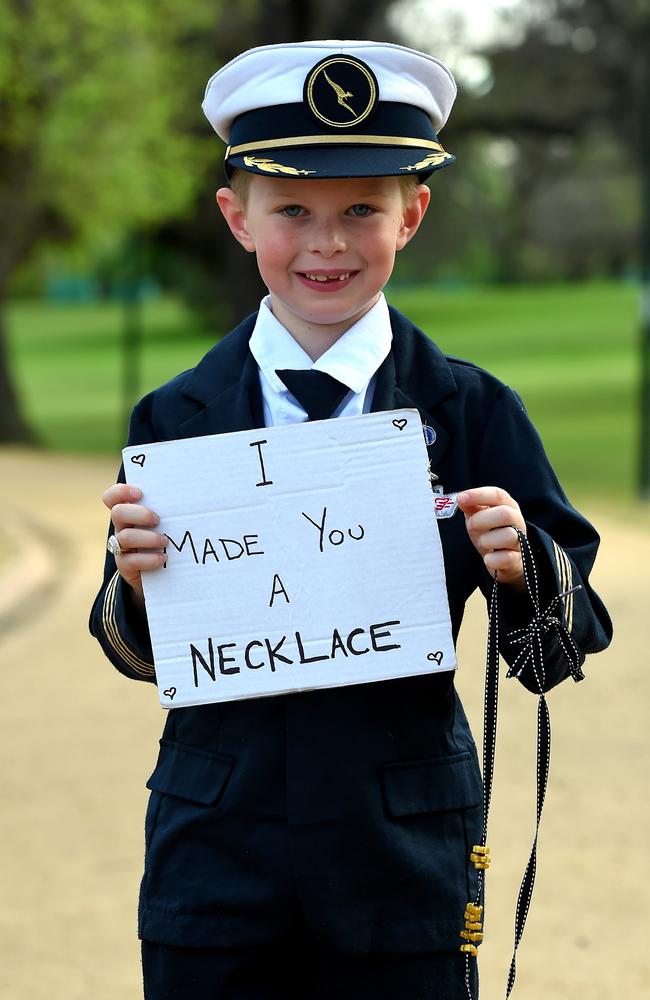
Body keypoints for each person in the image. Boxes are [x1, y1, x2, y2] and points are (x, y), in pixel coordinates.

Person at [89, 40, 612, 1000]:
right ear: (236, 218)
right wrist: (132, 580)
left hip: (401, 864)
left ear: (411, 215)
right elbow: (133, 650)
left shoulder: (473, 411)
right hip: (217, 861)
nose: (327, 243)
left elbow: (558, 650)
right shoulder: (174, 417)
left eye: (360, 210)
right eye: (292, 210)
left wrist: (523, 566)